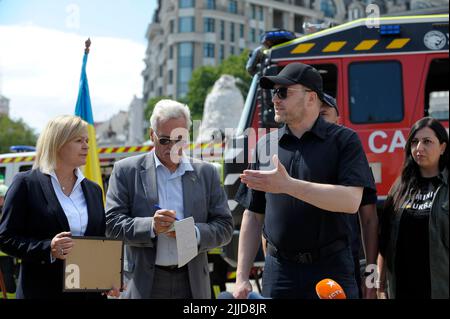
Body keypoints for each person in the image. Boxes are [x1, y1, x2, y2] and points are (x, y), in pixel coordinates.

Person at [233, 62, 376, 299]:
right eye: (273, 93)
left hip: (330, 269)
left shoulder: (344, 141)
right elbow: (253, 214)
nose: (274, 100)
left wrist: (288, 185)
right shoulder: (265, 145)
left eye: (283, 92)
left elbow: (351, 201)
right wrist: (241, 277)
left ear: (311, 98)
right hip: (279, 272)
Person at [105, 99, 233, 299]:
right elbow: (111, 225)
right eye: (165, 140)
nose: (173, 147)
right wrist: (151, 226)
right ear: (151, 135)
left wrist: (195, 233)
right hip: (145, 281)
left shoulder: (206, 173)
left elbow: (225, 227)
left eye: (179, 139)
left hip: (192, 283)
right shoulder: (126, 171)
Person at [0, 115, 106, 299]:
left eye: (87, 140)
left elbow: (99, 241)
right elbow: (5, 238)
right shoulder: (26, 183)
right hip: (41, 291)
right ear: (58, 143)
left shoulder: (94, 190)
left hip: (88, 292)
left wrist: (106, 278)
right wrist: (48, 249)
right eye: (79, 140)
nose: (87, 146)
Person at [378, 117, 448, 299]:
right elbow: (384, 244)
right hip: (401, 290)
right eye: (414, 142)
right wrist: (380, 287)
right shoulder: (399, 188)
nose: (419, 148)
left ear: (443, 147)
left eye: (427, 142)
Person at [320, 93, 379, 299]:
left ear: (338, 119)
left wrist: (371, 278)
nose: (319, 120)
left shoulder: (352, 157)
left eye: (324, 114)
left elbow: (369, 220)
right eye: (314, 114)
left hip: (344, 266)